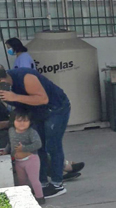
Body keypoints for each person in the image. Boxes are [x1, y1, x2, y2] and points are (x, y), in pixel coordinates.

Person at [0, 67, 70, 199]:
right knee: (37, 146)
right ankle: (42, 183)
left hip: (55, 109)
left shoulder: (25, 77)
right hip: (34, 112)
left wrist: (15, 97)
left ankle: (57, 184)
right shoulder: (4, 90)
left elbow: (43, 99)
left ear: (3, 80)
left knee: (52, 145)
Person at [2, 109, 44, 204]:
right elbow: (10, 142)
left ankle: (40, 198)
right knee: (22, 181)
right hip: (18, 161)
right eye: (19, 120)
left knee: (34, 180)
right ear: (13, 121)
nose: (22, 123)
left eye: (25, 121)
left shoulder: (31, 132)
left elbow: (38, 144)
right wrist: (6, 151)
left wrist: (24, 148)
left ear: (30, 121)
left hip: (31, 159)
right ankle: (26, 197)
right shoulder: (11, 131)